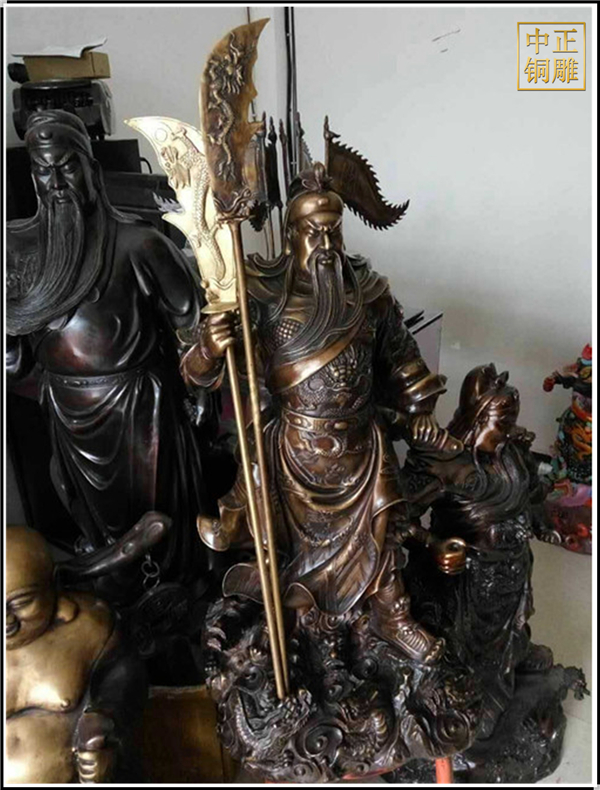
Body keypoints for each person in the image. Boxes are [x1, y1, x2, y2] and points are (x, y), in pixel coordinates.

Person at [181, 162, 462, 664]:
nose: (327, 243)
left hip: (361, 444)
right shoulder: (262, 293)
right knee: (284, 544)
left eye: (334, 230)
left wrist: (420, 407)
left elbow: (402, 360)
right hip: (295, 448)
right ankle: (290, 621)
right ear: (292, 235)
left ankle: (392, 615)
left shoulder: (368, 291)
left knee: (384, 527)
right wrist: (208, 346)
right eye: (315, 232)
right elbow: (200, 373)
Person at [6, 110, 215, 605]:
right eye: (43, 170)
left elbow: (194, 325)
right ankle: (118, 594)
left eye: (67, 165)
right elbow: (15, 362)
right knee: (90, 513)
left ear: (91, 168)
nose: (57, 182)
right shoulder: (18, 249)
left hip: (140, 406)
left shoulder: (141, 244)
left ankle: (177, 601)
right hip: (66, 407)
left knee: (161, 515)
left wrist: (202, 392)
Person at [403, 364, 556, 737]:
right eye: (500, 425)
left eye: (511, 423)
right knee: (469, 652)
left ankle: (514, 659)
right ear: (476, 419)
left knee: (508, 636)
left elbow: (531, 494)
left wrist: (540, 521)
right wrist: (432, 544)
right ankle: (473, 708)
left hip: (512, 570)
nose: (508, 433)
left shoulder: (511, 451)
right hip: (466, 580)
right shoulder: (445, 463)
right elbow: (394, 520)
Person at [5, 525, 147, 784]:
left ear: (52, 584)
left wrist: (107, 725)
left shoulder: (89, 626)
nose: (6, 621)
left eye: (21, 603)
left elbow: (126, 682)